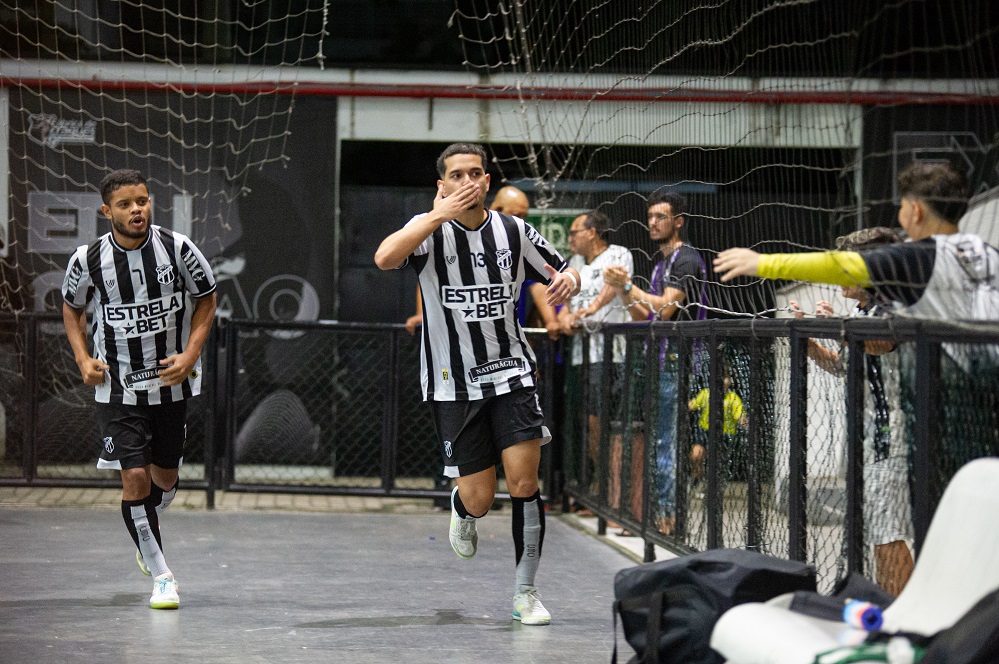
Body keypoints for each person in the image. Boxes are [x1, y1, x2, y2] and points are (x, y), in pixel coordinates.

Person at [374, 143, 580, 625]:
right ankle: (462, 509)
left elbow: (561, 267)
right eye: (456, 175)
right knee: (480, 499)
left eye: (475, 173)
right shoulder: (426, 232)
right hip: (454, 385)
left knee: (526, 482)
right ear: (442, 184)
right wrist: (435, 214)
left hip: (512, 375)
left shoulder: (513, 231)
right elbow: (385, 258)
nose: (467, 181)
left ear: (486, 181)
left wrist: (569, 280)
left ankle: (525, 592)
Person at [61, 169, 217, 610]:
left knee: (164, 479)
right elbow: (72, 309)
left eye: (143, 201)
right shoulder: (88, 259)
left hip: (170, 383)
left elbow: (207, 298)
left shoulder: (179, 249)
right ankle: (163, 575)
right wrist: (82, 359)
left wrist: (189, 355)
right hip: (117, 389)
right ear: (106, 211)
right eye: (127, 204)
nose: (137, 210)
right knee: (133, 476)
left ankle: (144, 528)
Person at [789, 226, 914, 596]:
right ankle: (888, 612)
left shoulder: (893, 307)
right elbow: (841, 364)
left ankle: (899, 620)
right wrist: (810, 337)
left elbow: (879, 342)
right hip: (870, 445)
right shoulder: (863, 311)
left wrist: (839, 327)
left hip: (893, 442)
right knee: (880, 533)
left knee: (889, 534)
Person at [604, 191, 708, 535]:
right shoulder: (662, 262)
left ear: (678, 221)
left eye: (660, 217)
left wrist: (628, 285)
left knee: (666, 443)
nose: (652, 222)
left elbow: (665, 309)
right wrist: (621, 290)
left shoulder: (687, 259)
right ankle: (659, 515)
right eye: (649, 217)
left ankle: (668, 519)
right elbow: (641, 313)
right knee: (657, 442)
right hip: (658, 359)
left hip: (677, 360)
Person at [557, 210, 636, 518]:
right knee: (584, 426)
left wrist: (584, 311)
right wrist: (564, 314)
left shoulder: (619, 254)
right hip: (580, 355)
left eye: (574, 232)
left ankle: (610, 494)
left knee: (603, 424)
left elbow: (611, 288)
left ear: (592, 232)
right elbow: (564, 299)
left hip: (610, 354)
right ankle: (593, 489)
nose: (570, 239)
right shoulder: (574, 264)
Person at [687, 372, 747, 487]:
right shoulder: (705, 394)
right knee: (696, 454)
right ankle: (697, 477)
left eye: (725, 378)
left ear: (729, 381)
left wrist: (745, 423)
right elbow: (692, 405)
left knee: (716, 462)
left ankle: (714, 484)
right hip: (705, 430)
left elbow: (740, 416)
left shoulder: (733, 398)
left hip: (724, 433)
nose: (722, 381)